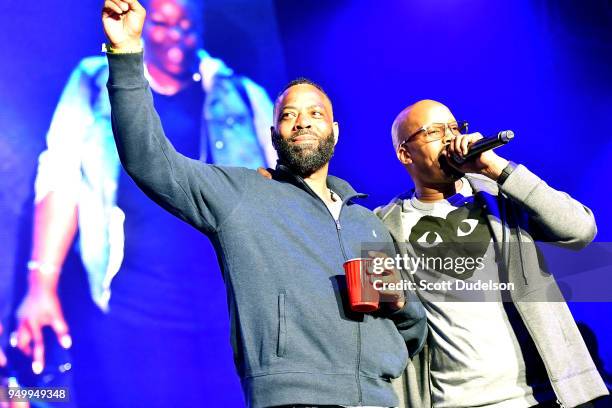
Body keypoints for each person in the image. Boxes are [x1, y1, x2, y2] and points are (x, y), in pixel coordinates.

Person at [100, 0, 427, 406]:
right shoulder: (241, 196)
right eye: (289, 115)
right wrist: (127, 52)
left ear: (335, 132)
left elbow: (410, 327)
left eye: (315, 114)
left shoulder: (365, 220)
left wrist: (401, 302)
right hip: (294, 399)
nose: (303, 122)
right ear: (274, 134)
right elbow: (150, 160)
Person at [13, 0, 276, 406]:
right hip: (134, 305)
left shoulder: (240, 94)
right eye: (164, 22)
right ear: (140, 22)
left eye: (186, 23)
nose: (176, 34)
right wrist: (40, 285)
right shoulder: (92, 82)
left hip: (229, 306)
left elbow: (280, 193)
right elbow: (60, 179)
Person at [376, 99, 609, 408]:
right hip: (454, 402)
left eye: (454, 127)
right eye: (434, 131)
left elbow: (581, 230)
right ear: (405, 153)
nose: (449, 137)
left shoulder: (501, 194)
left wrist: (494, 168)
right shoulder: (382, 225)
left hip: (539, 398)